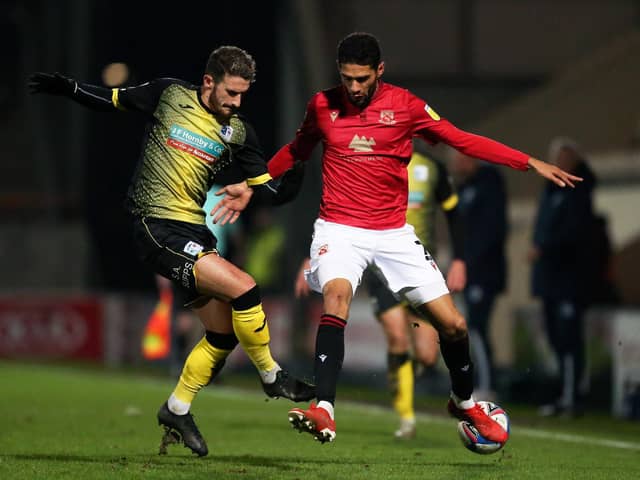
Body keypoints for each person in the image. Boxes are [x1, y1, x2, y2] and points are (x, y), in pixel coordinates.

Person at [258, 32, 582, 444]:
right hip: (339, 228)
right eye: (346, 79)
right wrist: (253, 183)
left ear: (380, 71)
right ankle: (325, 408)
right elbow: (295, 151)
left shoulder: (405, 106)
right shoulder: (322, 106)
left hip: (393, 233)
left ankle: (464, 404)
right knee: (337, 297)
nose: (353, 88)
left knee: (455, 325)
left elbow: (461, 139)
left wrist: (529, 161)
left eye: (361, 79)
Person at [28, 45, 314, 457]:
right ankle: (272, 376)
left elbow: (271, 190)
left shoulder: (238, 132)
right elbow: (113, 100)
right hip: (154, 224)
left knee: (221, 334)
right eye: (231, 93)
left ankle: (177, 409)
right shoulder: (170, 95)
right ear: (209, 82)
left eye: (243, 95)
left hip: (194, 231)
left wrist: (298, 165)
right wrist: (69, 88)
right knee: (245, 288)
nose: (236, 103)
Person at [293, 148, 467, 439]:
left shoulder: (432, 168)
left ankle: (403, 380)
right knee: (398, 337)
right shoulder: (368, 159)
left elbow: (453, 212)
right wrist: (315, 254)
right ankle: (406, 417)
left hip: (415, 266)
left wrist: (459, 259)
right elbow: (333, 209)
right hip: (378, 269)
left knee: (426, 355)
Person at [529, 137, 597, 417]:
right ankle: (564, 394)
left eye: (567, 157)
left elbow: (575, 234)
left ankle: (573, 397)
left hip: (570, 277)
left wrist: (543, 248)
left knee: (570, 338)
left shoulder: (579, 192)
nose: (562, 163)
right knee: (557, 338)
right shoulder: (550, 189)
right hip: (550, 278)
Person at [450, 150, 508, 399]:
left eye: (459, 159)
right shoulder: (464, 188)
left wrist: (470, 263)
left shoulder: (489, 184)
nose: (456, 165)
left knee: (476, 326)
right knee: (472, 327)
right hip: (469, 271)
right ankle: (480, 382)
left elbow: (492, 230)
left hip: (484, 271)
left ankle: (487, 385)